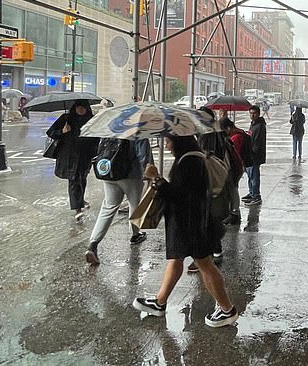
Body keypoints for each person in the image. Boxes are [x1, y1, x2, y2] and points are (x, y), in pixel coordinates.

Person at [133, 134, 238, 327]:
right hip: (189, 223)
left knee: (205, 264)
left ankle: (227, 310)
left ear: (178, 141)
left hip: (191, 225)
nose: (167, 143)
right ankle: (160, 302)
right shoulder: (191, 158)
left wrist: (156, 178)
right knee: (176, 260)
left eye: (169, 140)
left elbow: (179, 196)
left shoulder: (189, 162)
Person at [85, 138, 152, 265]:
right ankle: (135, 234)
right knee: (135, 205)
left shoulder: (111, 124)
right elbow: (143, 153)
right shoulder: (137, 126)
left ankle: (93, 244)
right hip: (131, 173)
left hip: (109, 170)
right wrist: (148, 169)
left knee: (108, 207)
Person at [46, 100, 98, 221]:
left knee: (82, 178)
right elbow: (50, 132)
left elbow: (96, 139)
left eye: (83, 108)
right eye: (78, 107)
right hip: (69, 155)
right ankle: (77, 208)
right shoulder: (66, 118)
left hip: (85, 155)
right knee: (73, 180)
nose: (80, 110)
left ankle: (80, 200)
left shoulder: (92, 120)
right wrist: (62, 131)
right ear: (74, 108)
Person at [195, 106, 230, 264]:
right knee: (208, 215)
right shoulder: (215, 130)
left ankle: (209, 252)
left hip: (208, 177)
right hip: (212, 176)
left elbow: (209, 154)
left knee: (207, 215)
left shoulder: (210, 132)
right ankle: (213, 249)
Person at [220, 116, 248, 226]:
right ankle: (234, 213)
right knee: (233, 190)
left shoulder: (235, 138)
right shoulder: (236, 135)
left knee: (233, 191)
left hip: (234, 168)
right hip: (236, 167)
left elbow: (233, 155)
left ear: (228, 128)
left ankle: (234, 214)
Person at [242, 105, 266, 206]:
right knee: (250, 175)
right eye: (251, 113)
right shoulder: (253, 124)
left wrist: (252, 153)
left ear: (258, 114)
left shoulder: (260, 126)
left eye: (254, 113)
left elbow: (257, 142)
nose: (252, 115)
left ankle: (256, 195)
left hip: (255, 155)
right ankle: (251, 193)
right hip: (250, 154)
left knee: (254, 176)